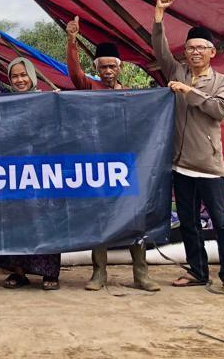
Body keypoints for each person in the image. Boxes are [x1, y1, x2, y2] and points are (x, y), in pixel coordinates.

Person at [152, 0, 224, 293]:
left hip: (208, 166)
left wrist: (188, 92)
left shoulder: (222, 82)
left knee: (221, 222)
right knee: (188, 223)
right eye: (190, 48)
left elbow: (219, 110)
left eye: (201, 48)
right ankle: (198, 271)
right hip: (181, 165)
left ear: (212, 52)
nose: (195, 52)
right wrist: (158, 16)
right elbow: (160, 50)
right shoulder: (176, 71)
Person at [63, 16, 159, 293]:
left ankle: (141, 274)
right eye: (102, 67)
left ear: (120, 67)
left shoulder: (132, 95)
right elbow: (75, 73)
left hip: (128, 165)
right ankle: (99, 273)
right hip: (98, 165)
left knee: (135, 219)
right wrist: (71, 40)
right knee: (101, 219)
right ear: (97, 69)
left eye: (112, 66)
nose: (107, 71)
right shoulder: (90, 89)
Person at [0, 31, 63, 290]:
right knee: (15, 221)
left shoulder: (47, 98)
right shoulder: (7, 99)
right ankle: (19, 272)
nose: (20, 80)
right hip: (12, 172)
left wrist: (59, 101)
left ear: (32, 77)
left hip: (42, 173)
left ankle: (50, 274)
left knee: (45, 221)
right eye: (14, 76)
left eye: (23, 75)